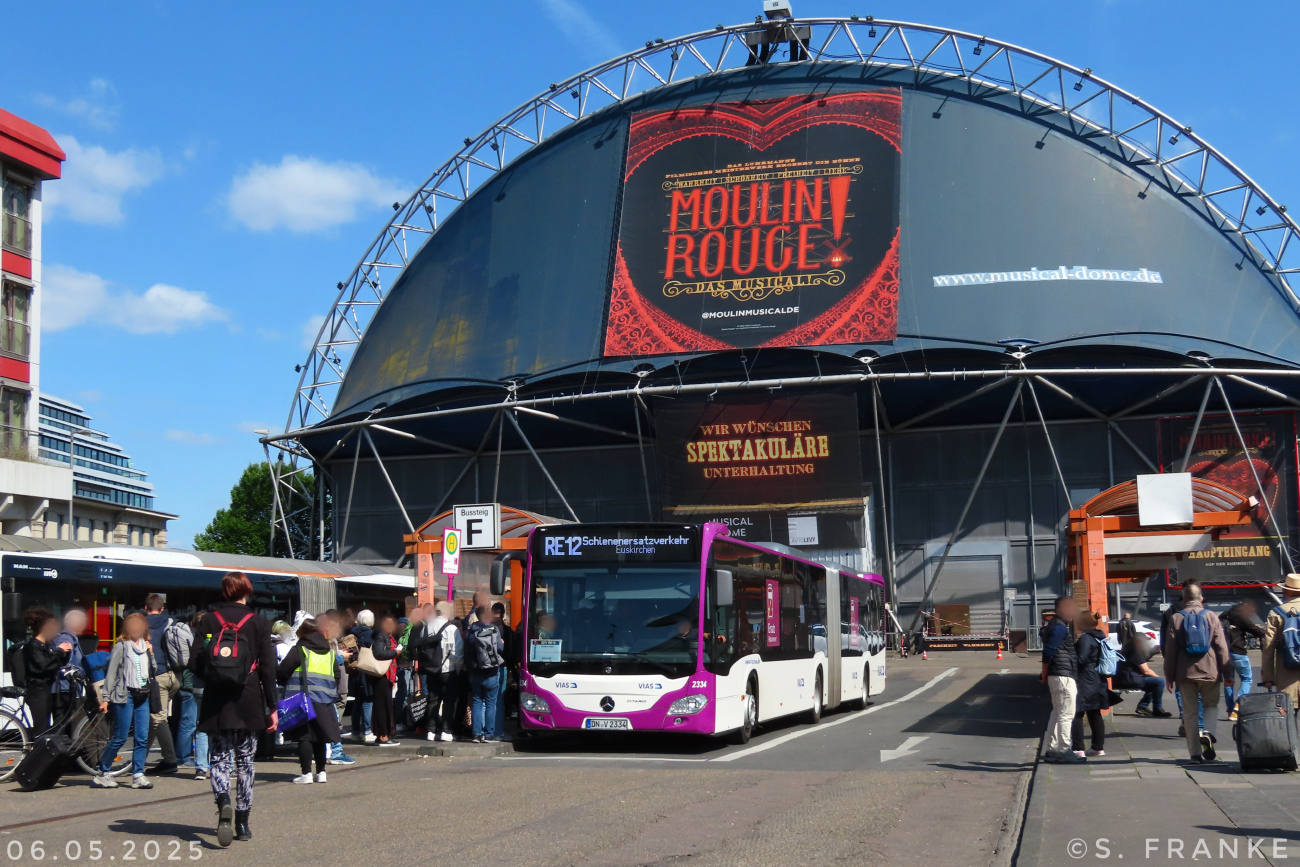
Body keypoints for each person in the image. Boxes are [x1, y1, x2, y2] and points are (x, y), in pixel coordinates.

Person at [190, 572, 278, 847]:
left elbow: (193, 661)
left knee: (219, 759)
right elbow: (268, 668)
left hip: (217, 700)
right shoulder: (259, 622)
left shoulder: (208, 620)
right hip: (249, 697)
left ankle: (222, 801)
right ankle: (242, 822)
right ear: (247, 591)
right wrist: (272, 706)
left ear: (224, 591)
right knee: (245, 762)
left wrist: (214, 676)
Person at [1163, 582, 1231, 763]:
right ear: (1201, 598)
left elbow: (1170, 651)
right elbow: (1222, 647)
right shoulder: (1211, 616)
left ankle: (1194, 754)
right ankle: (1208, 733)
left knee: (1190, 713)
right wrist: (1228, 673)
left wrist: (1169, 676)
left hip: (1185, 673)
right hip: (1210, 671)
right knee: (1211, 706)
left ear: (1184, 599)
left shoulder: (1176, 618)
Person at [93, 612, 157, 789]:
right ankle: (103, 772)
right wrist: (106, 698)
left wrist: (151, 654)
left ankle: (138, 775)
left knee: (142, 737)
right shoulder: (121, 647)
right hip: (125, 694)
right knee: (120, 737)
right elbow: (111, 673)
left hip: (143, 694)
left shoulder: (145, 646)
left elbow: (153, 670)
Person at [276, 617, 341, 784]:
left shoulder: (300, 649)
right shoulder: (329, 651)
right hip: (325, 699)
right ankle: (321, 772)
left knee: (304, 736)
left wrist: (284, 683)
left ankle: (306, 773)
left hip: (302, 698)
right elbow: (337, 674)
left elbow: (283, 671)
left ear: (302, 633)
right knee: (320, 736)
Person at [1039, 596, 1083, 764]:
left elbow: (1049, 650)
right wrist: (1044, 670)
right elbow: (1049, 650)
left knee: (1057, 712)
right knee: (1066, 714)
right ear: (1058, 610)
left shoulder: (1054, 625)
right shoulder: (1059, 628)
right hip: (1064, 675)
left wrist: (1046, 671)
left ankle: (1051, 749)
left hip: (1057, 674)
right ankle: (1064, 749)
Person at [411, 600, 462, 742]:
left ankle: (431, 731)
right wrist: (458, 668)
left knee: (433, 700)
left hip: (430, 669)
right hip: (448, 669)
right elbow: (457, 652)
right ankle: (446, 731)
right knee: (449, 701)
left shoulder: (427, 627)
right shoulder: (451, 628)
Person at [144, 594, 182, 775]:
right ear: (162, 609)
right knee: (154, 716)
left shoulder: (141, 624)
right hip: (174, 676)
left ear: (146, 608)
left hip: (156, 675)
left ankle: (170, 760)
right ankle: (140, 757)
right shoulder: (171, 623)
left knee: (158, 718)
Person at [1161, 582, 1205, 738]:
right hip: (1202, 659)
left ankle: (1185, 717)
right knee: (1199, 694)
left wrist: (1168, 666)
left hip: (1180, 660)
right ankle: (1199, 726)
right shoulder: (1205, 612)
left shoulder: (1171, 613)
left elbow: (1166, 642)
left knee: (1181, 692)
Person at [22, 608, 72, 733]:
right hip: (36, 691)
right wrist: (59, 651)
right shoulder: (32, 646)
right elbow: (43, 665)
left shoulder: (46, 645)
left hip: (46, 689)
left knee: (47, 727)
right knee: (41, 728)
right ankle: (36, 746)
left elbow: (55, 664)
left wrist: (64, 653)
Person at [1260, 573, 1300, 722]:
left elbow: (1268, 648)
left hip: (1286, 674)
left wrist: (1268, 677)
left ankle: (1292, 738)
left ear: (1287, 591)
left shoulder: (1276, 613)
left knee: (1287, 718)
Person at [1070, 611, 1111, 758]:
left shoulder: (1086, 638)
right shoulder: (1100, 636)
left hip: (1086, 679)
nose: (1076, 624)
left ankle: (1078, 749)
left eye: (1078, 621)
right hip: (1098, 678)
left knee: (1077, 713)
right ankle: (1097, 748)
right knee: (1094, 713)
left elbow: (1081, 659)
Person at [320, 611, 356, 765]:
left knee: (330, 718)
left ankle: (328, 751)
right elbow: (329, 660)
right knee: (332, 720)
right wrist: (341, 657)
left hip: (328, 686)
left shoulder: (329, 640)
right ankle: (334, 752)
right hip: (326, 686)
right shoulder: (322, 641)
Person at [466, 604, 505, 743]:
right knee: (490, 703)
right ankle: (489, 734)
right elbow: (500, 648)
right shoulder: (494, 629)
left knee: (477, 702)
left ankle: (477, 734)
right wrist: (502, 643)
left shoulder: (471, 631)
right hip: (491, 671)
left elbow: (467, 650)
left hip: (475, 670)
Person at [1113, 625, 1170, 718]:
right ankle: (1157, 708)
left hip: (1125, 678)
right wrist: (1158, 677)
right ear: (1138, 641)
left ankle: (1143, 706)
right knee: (1159, 682)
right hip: (1129, 679)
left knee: (1154, 684)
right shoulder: (1135, 652)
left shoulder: (1128, 649)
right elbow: (1146, 671)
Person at [1223, 598, 1266, 721]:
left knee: (1228, 681)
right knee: (1247, 678)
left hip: (1224, 653)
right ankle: (1238, 706)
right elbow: (1256, 630)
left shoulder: (1225, 614)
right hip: (1238, 652)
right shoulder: (1241, 617)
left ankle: (1230, 710)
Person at [369, 614, 401, 745]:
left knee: (384, 704)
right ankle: (383, 736)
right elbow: (378, 653)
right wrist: (395, 652)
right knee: (382, 705)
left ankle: (382, 735)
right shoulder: (381, 636)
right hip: (381, 675)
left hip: (387, 675)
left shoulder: (389, 637)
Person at [53, 608, 89, 720]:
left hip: (66, 687)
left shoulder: (71, 638)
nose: (84, 624)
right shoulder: (66, 638)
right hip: (64, 688)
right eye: (83, 621)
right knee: (63, 721)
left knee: (66, 721)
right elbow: (62, 663)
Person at [187, 611, 210, 781]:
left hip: (199, 686)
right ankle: (227, 765)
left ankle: (201, 768)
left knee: (201, 726)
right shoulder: (218, 638)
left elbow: (192, 664)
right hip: (217, 686)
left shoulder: (196, 640)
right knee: (221, 725)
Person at [348, 610, 376, 743]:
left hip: (355, 670)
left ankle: (355, 731)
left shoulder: (352, 634)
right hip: (367, 670)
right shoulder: (371, 635)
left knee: (357, 701)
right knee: (368, 700)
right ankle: (367, 731)